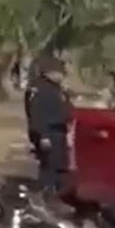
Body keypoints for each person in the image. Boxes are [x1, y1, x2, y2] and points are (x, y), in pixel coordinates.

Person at [27, 54, 72, 202]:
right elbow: (36, 114)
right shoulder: (39, 89)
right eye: (60, 73)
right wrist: (43, 135)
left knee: (59, 166)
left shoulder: (58, 89)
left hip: (60, 131)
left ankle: (57, 196)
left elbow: (68, 109)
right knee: (49, 168)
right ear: (50, 73)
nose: (62, 76)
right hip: (48, 132)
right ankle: (46, 196)